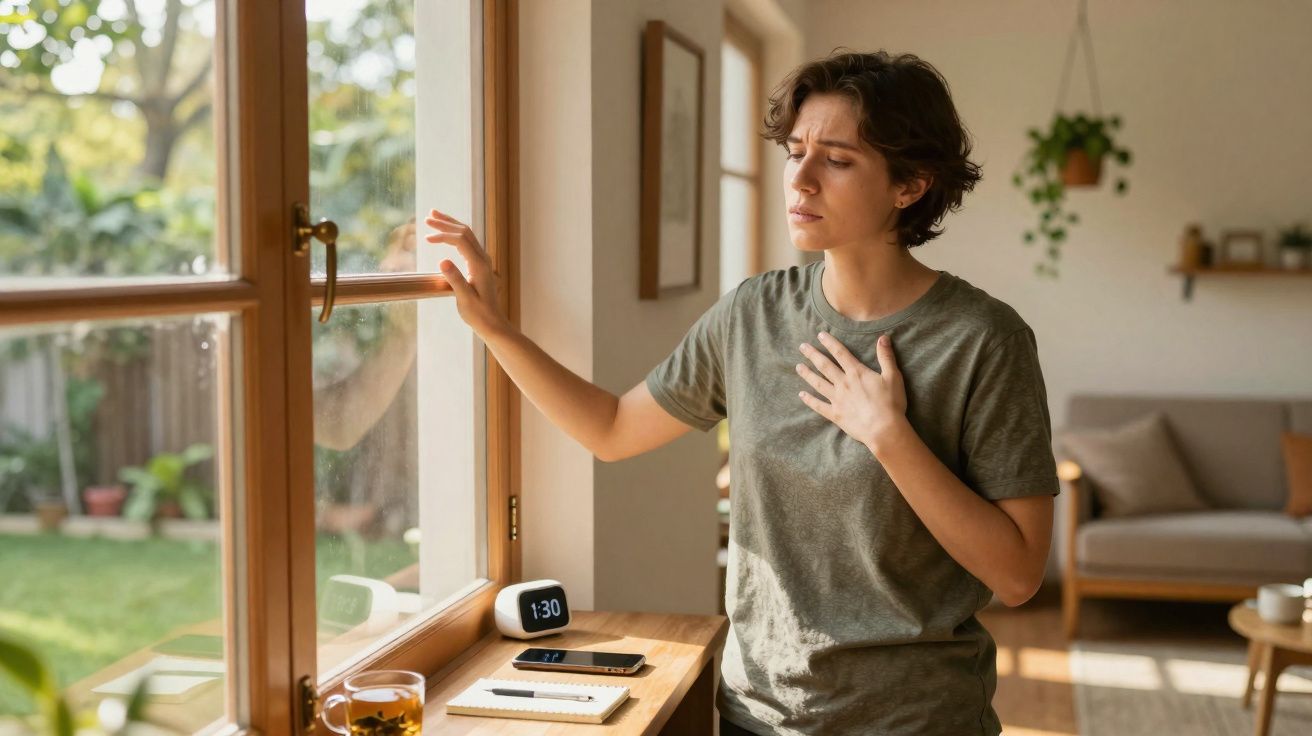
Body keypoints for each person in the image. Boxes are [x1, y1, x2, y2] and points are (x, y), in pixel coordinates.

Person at [425, 49, 1059, 736]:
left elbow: (1020, 574)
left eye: (837, 160)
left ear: (910, 185)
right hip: (760, 715)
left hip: (917, 719)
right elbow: (610, 429)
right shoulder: (752, 316)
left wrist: (889, 437)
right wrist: (495, 329)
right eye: (795, 153)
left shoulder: (982, 339)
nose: (802, 181)